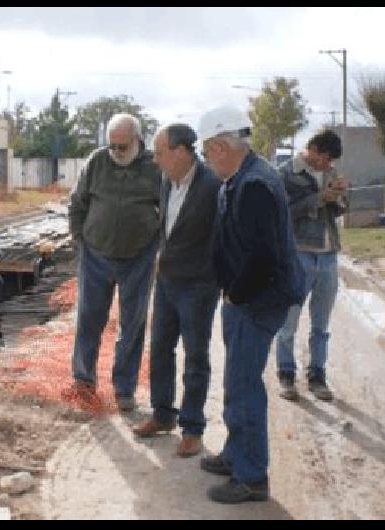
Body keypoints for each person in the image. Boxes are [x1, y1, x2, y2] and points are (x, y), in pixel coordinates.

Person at [198, 105, 304, 504]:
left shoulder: (255, 184)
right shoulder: (243, 177)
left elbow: (263, 255)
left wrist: (237, 293)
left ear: (222, 146)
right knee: (236, 381)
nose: (207, 161)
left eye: (208, 153)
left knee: (244, 386)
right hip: (246, 297)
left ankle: (252, 476)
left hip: (257, 300)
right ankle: (237, 453)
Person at [131, 124, 221, 457]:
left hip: (198, 285)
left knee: (195, 356)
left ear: (181, 152)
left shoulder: (212, 186)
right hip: (167, 282)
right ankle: (162, 414)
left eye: (159, 152)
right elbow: (168, 229)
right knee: (160, 351)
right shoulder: (168, 182)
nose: (155, 160)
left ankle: (193, 428)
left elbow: (221, 237)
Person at [68, 113, 161, 412]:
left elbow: (169, 209)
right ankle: (84, 381)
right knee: (88, 320)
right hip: (96, 254)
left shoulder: (154, 167)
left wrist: (157, 247)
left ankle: (124, 388)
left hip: (138, 257)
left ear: (137, 140)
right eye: (113, 146)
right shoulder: (97, 162)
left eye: (123, 146)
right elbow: (77, 202)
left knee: (132, 324)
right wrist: (79, 237)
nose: (117, 152)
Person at [275, 130, 345, 402]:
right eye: (325, 159)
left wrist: (339, 196)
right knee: (288, 322)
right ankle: (286, 374)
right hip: (298, 254)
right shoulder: (284, 174)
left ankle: (317, 375)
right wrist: (318, 199)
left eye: (330, 162)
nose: (327, 165)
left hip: (328, 255)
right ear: (313, 150)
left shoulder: (331, 172)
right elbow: (282, 214)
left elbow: (339, 209)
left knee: (322, 324)